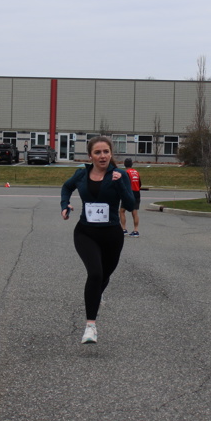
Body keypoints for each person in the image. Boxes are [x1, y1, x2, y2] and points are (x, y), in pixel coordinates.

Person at [61, 136, 136, 345]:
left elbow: (130, 205)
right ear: (90, 156)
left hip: (112, 235)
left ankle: (97, 294)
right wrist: (65, 205)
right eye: (97, 152)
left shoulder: (120, 175)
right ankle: (90, 327)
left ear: (111, 154)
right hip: (85, 232)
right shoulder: (81, 174)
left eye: (106, 152)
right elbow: (66, 188)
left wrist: (120, 185)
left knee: (104, 276)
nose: (102, 156)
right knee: (95, 273)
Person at [119, 158, 142, 237]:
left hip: (129, 192)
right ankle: (136, 230)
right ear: (131, 164)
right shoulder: (136, 172)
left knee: (122, 211)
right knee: (134, 212)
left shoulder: (126, 173)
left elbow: (125, 184)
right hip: (137, 192)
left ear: (124, 164)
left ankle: (124, 229)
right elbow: (140, 183)